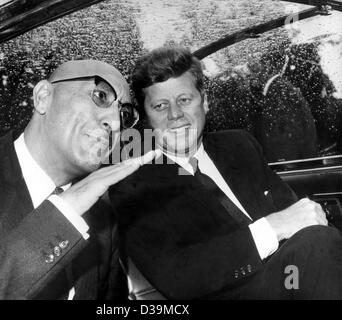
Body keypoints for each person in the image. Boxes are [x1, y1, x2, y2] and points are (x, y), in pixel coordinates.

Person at [109, 46, 342, 300]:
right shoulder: (135, 186)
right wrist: (273, 228)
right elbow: (176, 278)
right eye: (160, 106)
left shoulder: (238, 145)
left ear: (205, 102)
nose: (175, 115)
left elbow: (295, 215)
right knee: (318, 245)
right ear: (146, 120)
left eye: (184, 100)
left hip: (290, 278)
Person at [0, 59, 157, 299]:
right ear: (44, 97)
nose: (116, 123)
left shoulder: (103, 218)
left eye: (125, 115)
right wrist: (64, 214)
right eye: (100, 96)